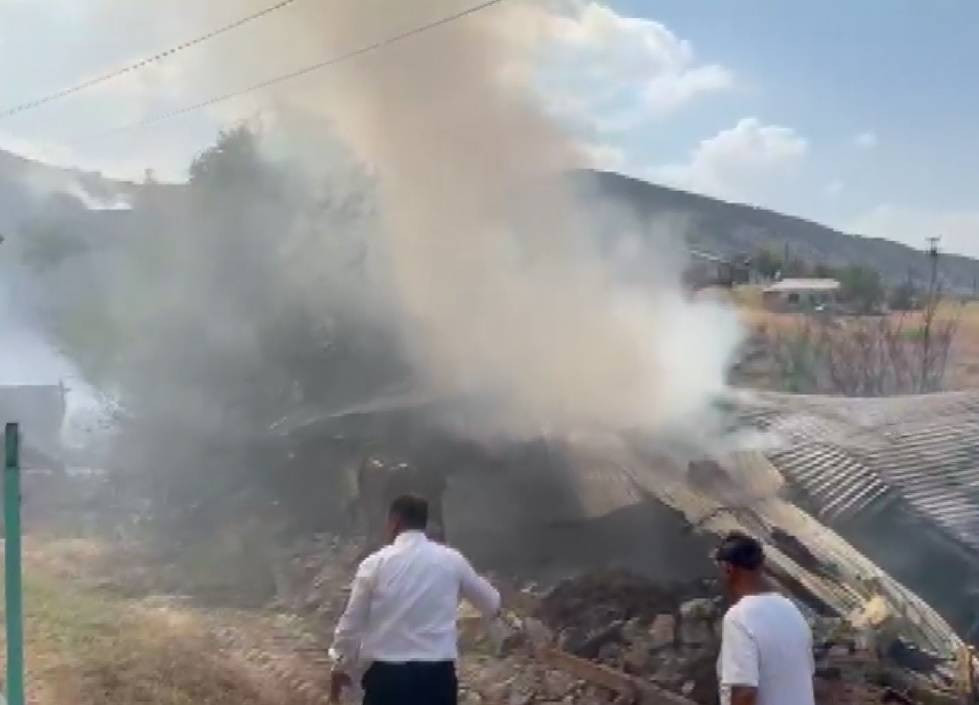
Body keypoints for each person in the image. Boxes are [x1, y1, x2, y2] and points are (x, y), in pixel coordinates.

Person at [330, 494, 500, 705]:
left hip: (387, 680)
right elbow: (492, 603)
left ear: (394, 522)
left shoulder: (374, 564)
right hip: (437, 679)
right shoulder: (452, 560)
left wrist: (340, 664)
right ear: (423, 522)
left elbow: (351, 623)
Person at [715, 531, 815, 705]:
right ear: (761, 566)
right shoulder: (790, 610)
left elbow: (744, 692)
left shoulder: (739, 617)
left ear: (728, 569)